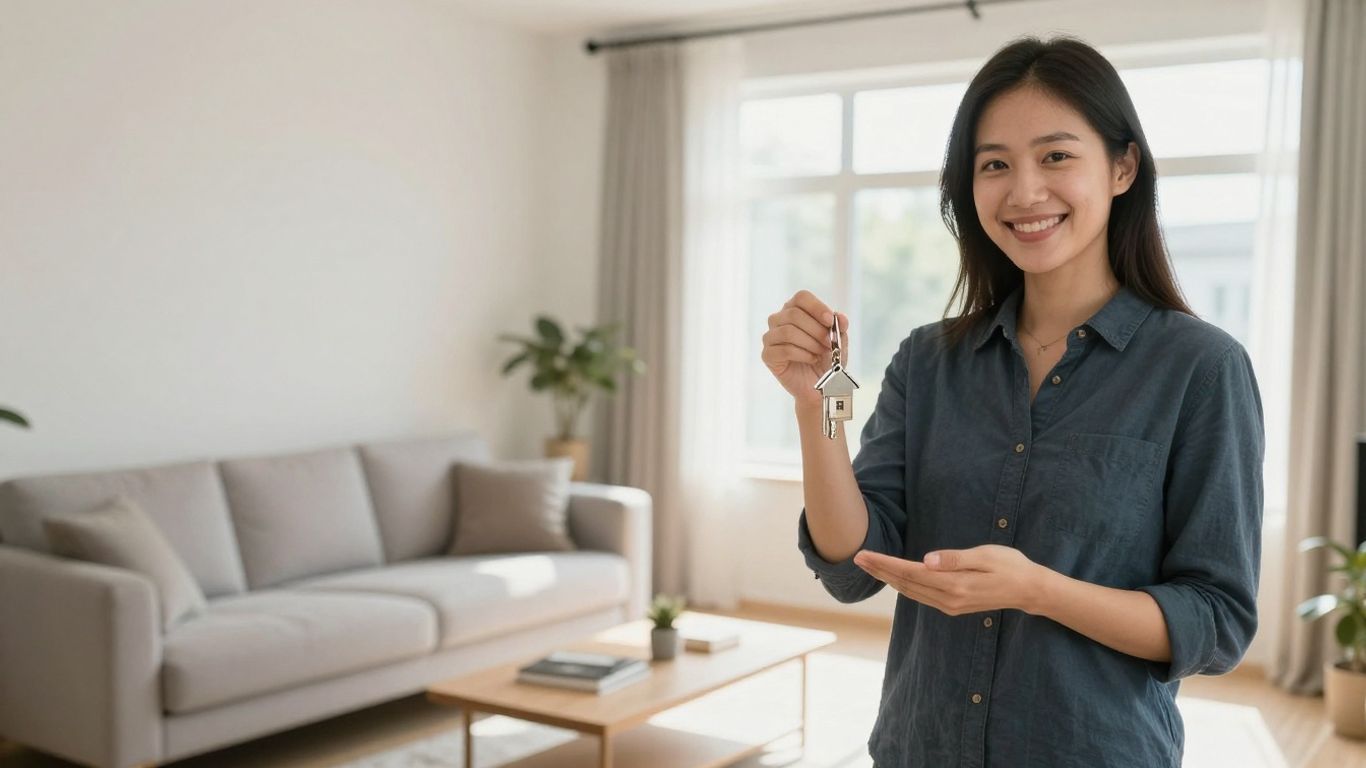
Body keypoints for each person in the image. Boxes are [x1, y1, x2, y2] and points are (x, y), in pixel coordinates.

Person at [760, 34, 1264, 768]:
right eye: (994, 164)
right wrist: (814, 407)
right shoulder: (928, 361)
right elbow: (850, 564)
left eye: (1056, 156)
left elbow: (1215, 623)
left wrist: (1040, 591)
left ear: (1122, 167)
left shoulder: (1201, 368)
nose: (1024, 192)